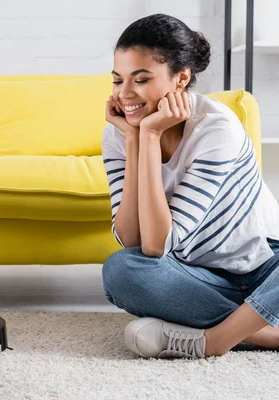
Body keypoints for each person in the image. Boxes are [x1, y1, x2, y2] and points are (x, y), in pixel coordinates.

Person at [101, 13, 279, 359]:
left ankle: (213, 340)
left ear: (181, 78)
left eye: (141, 79)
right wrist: (141, 140)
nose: (125, 94)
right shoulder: (120, 133)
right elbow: (139, 244)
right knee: (120, 270)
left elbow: (157, 243)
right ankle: (262, 331)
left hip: (264, 267)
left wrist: (149, 135)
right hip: (196, 276)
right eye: (117, 80)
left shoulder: (216, 128)